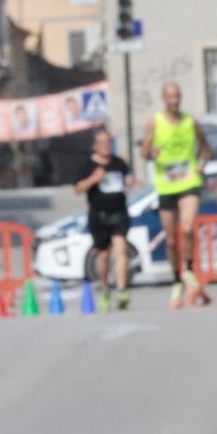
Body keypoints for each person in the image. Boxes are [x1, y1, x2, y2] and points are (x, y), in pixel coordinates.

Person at [139, 81, 213, 308]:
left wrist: (201, 162)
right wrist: (151, 152)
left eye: (178, 96)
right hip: (166, 186)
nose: (175, 100)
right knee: (171, 240)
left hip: (189, 181)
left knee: (188, 227)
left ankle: (189, 268)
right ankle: (176, 278)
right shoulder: (155, 122)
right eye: (171, 96)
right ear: (164, 98)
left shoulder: (191, 122)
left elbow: (205, 147)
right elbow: (143, 151)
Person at [74, 128, 133, 310]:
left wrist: (129, 181)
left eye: (108, 142)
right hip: (98, 215)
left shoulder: (119, 163)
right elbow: (77, 189)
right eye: (102, 142)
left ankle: (122, 290)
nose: (106, 146)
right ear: (95, 146)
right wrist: (93, 179)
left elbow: (127, 178)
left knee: (121, 250)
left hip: (119, 213)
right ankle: (105, 288)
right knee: (104, 255)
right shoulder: (87, 165)